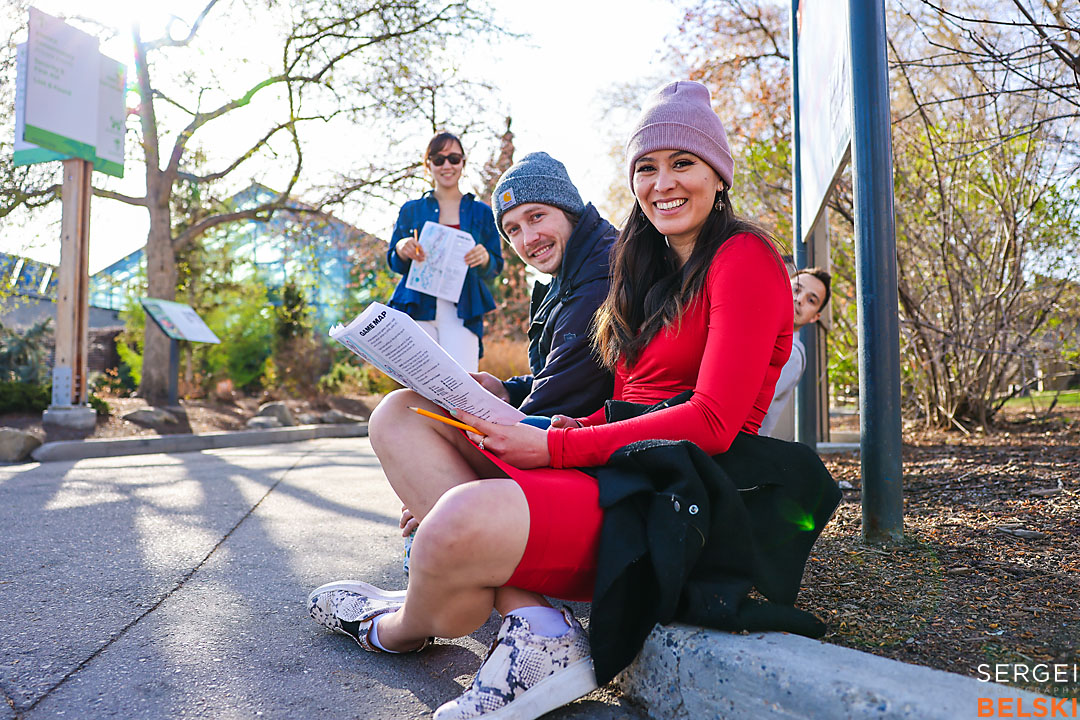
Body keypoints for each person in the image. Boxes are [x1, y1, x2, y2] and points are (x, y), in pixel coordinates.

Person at [308, 81, 839, 720]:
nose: (662, 183)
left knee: (451, 525)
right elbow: (625, 400)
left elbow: (713, 422)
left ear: (718, 175)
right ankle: (530, 626)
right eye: (647, 168)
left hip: (675, 495)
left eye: (682, 164)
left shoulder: (743, 257)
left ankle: (393, 626)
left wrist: (555, 443)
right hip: (616, 468)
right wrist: (562, 423)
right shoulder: (649, 266)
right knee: (399, 414)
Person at [472, 151, 617, 419]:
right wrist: (508, 391)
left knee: (400, 415)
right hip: (571, 436)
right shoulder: (570, 277)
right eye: (513, 229)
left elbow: (559, 404)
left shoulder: (598, 281)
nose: (528, 238)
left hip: (595, 449)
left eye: (536, 216)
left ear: (569, 210)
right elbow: (563, 376)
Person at [387, 132, 504, 372]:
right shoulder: (411, 210)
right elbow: (394, 261)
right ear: (427, 164)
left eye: (454, 158)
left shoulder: (481, 212)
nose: (447, 165)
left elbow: (496, 266)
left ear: (463, 162)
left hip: (463, 310)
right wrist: (401, 248)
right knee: (420, 385)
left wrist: (484, 258)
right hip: (417, 306)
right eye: (438, 159)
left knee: (463, 383)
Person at [759, 267, 832, 438]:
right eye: (796, 289)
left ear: (815, 317)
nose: (799, 300)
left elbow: (748, 401)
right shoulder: (760, 334)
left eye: (811, 300)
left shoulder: (792, 355)